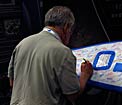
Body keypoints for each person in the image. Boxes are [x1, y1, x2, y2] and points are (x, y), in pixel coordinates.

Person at [8, 6, 93, 105]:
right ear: (66, 27)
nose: (70, 34)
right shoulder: (63, 52)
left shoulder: (22, 44)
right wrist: (85, 75)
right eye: (71, 30)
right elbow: (72, 95)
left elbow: (12, 82)